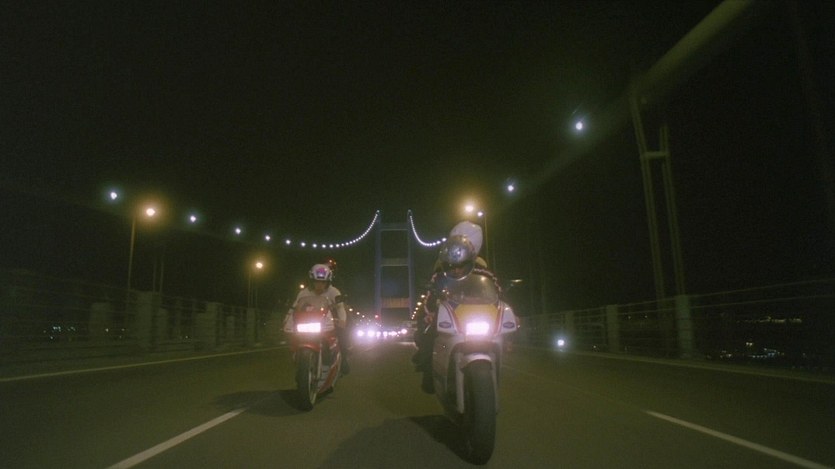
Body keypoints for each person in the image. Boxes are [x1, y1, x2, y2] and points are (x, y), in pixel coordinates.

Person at [413, 222, 500, 393]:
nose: (457, 271)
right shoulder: (440, 271)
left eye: (462, 266)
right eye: (453, 267)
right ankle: (428, 371)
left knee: (502, 335)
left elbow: (497, 290)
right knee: (428, 334)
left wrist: (507, 309)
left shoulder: (482, 270)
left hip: (476, 315)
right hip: (450, 314)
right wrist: (430, 314)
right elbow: (430, 297)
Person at [289, 263, 351, 374]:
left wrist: (342, 321)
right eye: (316, 281)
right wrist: (288, 321)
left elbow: (340, 308)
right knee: (294, 337)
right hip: (309, 322)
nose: (319, 285)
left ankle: (344, 359)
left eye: (323, 282)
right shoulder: (304, 293)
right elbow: (294, 308)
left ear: (328, 282)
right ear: (311, 281)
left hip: (329, 321)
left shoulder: (334, 292)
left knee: (342, 335)